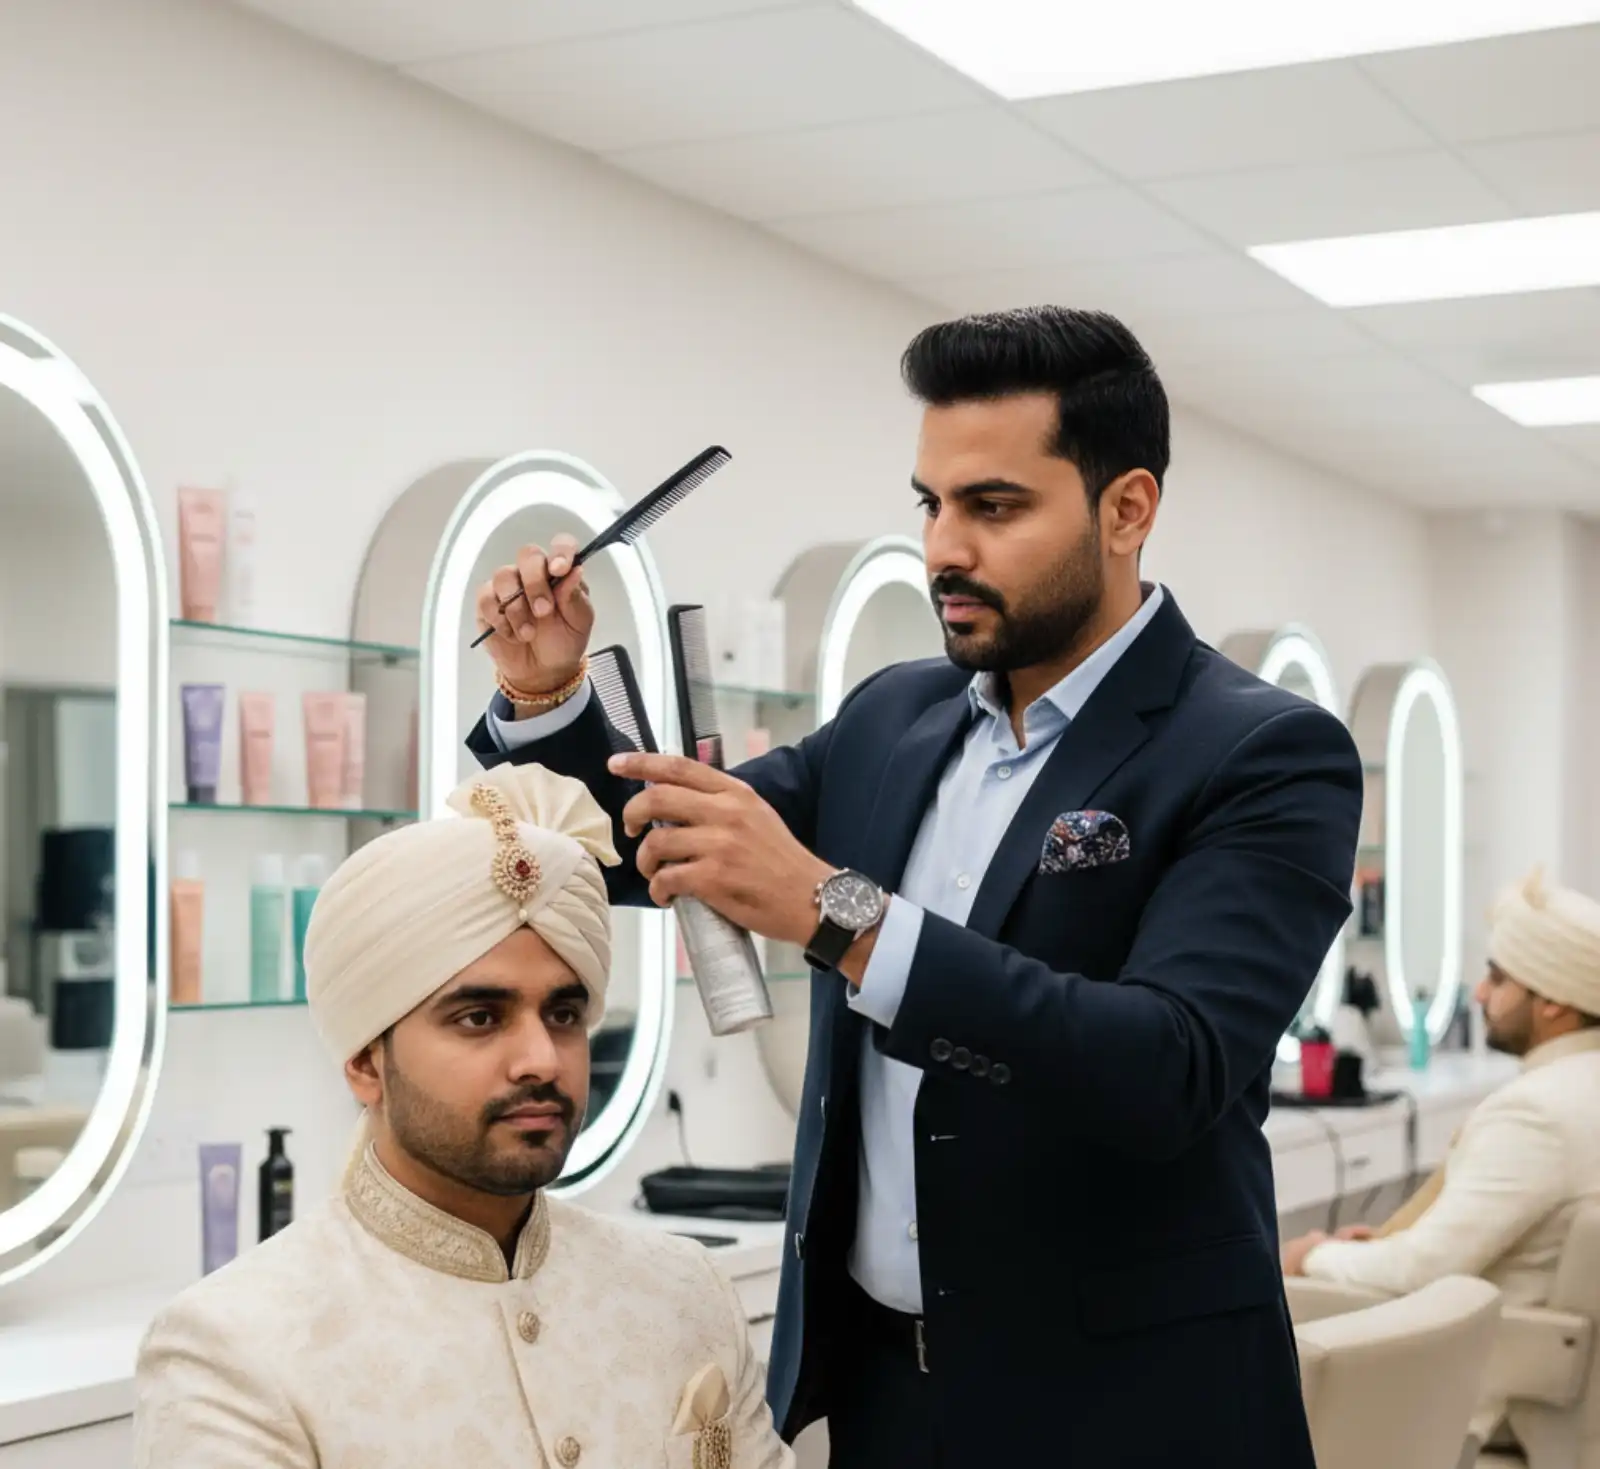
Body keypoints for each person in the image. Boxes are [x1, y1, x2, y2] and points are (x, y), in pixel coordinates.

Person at [468, 307, 1363, 1466]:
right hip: (887, 1394)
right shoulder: (896, 716)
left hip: (1130, 1406)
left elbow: (1167, 1063)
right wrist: (548, 700)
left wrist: (835, 912)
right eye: (929, 504)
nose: (944, 547)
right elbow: (664, 852)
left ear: (1126, 507)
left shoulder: (1261, 748)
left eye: (993, 507)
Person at [132, 762, 792, 1469]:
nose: (541, 1057)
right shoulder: (237, 1350)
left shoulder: (684, 1289)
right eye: (480, 1017)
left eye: (564, 1013)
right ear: (365, 1061)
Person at [1283, 867, 1600, 1303]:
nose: (1480, 994)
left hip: (1485, 1350)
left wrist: (1312, 1255)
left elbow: (1418, 1270)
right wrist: (1384, 1242)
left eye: (1499, 978)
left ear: (1554, 1003)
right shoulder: (1580, 1088)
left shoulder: (1536, 1115)